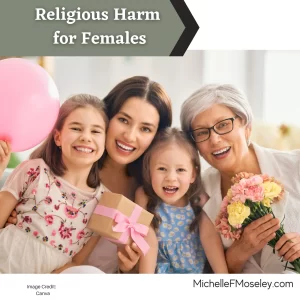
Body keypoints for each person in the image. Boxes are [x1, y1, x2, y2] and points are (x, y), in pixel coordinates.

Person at [6, 76, 172, 273]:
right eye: (123, 120)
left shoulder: (146, 193)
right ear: (105, 118)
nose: (130, 135)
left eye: (145, 129)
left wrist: (127, 268)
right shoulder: (52, 168)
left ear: (156, 137)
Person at [180, 83, 300, 273]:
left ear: (246, 126)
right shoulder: (193, 195)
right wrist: (240, 251)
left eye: (223, 125)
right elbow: (202, 275)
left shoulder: (296, 166)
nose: (215, 139)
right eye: (202, 132)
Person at [0, 94, 108, 273]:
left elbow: (75, 264)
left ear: (104, 141)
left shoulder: (103, 202)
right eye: (76, 128)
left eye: (95, 131)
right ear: (58, 137)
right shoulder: (33, 170)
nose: (86, 137)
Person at [136, 127, 228, 273]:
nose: (171, 178)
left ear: (193, 174)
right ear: (149, 170)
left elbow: (209, 237)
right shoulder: (144, 196)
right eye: (161, 169)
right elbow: (149, 241)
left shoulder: (198, 198)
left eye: (180, 170)